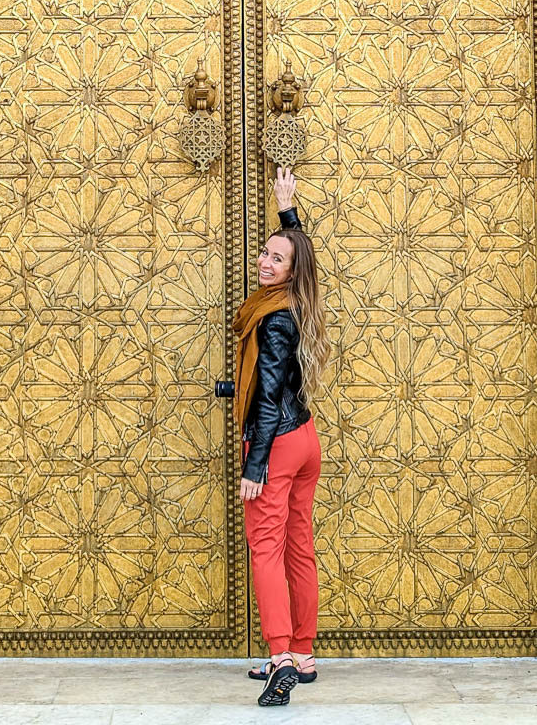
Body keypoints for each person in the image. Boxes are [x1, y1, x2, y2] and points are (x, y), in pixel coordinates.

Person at [232, 166, 331, 708]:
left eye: (277, 257)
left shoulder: (273, 319)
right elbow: (304, 255)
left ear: (292, 271)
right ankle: (303, 652)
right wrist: (287, 210)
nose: (265, 262)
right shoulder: (301, 301)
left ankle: (278, 659)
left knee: (266, 548)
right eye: (265, 254)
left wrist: (255, 466)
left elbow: (268, 398)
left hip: (276, 442)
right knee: (298, 545)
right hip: (306, 438)